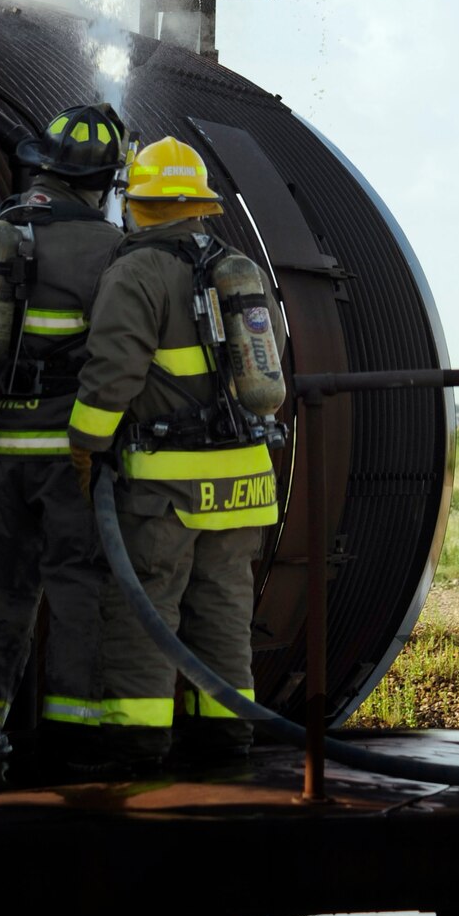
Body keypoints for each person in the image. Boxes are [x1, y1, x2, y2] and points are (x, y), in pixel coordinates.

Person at [67, 136, 282, 770]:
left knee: (143, 610)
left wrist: (84, 449)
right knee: (223, 610)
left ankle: (136, 747)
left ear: (137, 205)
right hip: (244, 482)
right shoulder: (236, 265)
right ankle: (226, 742)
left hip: (166, 489)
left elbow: (110, 377)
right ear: (199, 206)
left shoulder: (136, 272)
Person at [0, 103, 125, 762]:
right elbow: (115, 353)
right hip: (66, 455)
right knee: (78, 587)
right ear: (101, 182)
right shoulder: (109, 249)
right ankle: (74, 734)